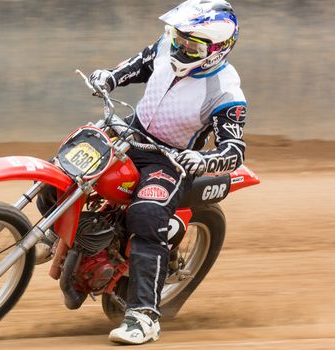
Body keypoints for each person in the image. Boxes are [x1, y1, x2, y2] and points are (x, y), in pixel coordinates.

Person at [88, 0, 247, 345]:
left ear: (218, 50)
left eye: (192, 44)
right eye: (178, 37)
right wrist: (111, 77)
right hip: (132, 132)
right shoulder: (167, 47)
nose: (180, 46)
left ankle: (143, 317)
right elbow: (142, 63)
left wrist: (202, 160)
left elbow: (234, 149)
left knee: (146, 214)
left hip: (170, 161)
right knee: (73, 157)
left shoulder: (225, 91)